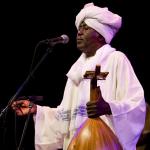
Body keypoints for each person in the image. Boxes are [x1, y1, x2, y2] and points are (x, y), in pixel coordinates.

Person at [11, 2, 146, 150]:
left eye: (86, 28)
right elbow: (66, 115)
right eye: (79, 27)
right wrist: (36, 109)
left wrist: (109, 107)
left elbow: (136, 105)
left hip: (104, 144)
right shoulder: (77, 69)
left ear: (101, 35)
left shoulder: (116, 59)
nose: (79, 32)